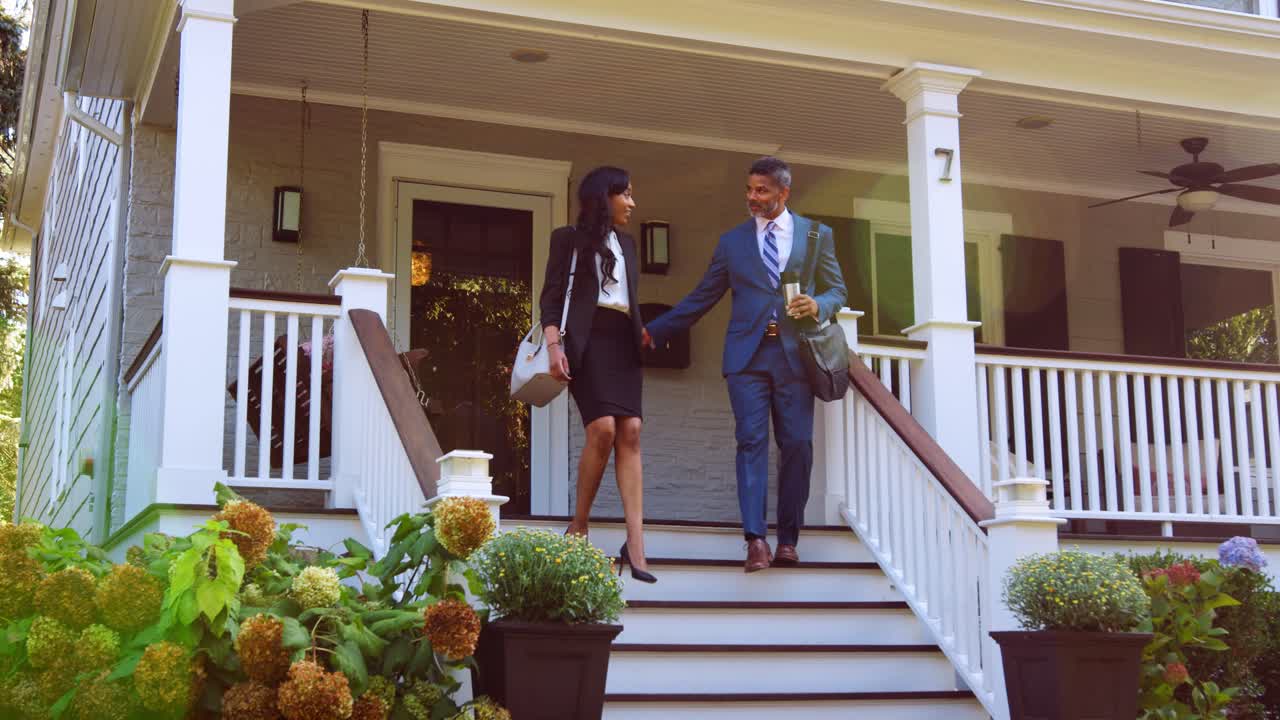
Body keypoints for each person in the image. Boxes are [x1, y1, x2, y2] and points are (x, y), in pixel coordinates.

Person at [644, 157, 846, 573]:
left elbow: (838, 289)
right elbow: (703, 295)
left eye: (762, 191)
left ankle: (788, 539)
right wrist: (657, 329)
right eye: (750, 190)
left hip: (796, 356)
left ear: (783, 193)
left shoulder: (815, 234)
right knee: (750, 442)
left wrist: (820, 304)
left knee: (797, 447)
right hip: (747, 358)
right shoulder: (732, 242)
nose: (752, 198)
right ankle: (755, 540)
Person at [540, 166, 656, 583]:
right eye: (625, 194)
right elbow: (551, 298)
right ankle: (580, 523)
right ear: (603, 197)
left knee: (632, 431)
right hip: (586, 344)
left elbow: (628, 299)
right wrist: (554, 346)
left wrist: (645, 331)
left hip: (623, 343)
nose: (631, 202)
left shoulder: (626, 244)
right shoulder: (567, 240)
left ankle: (636, 543)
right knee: (603, 429)